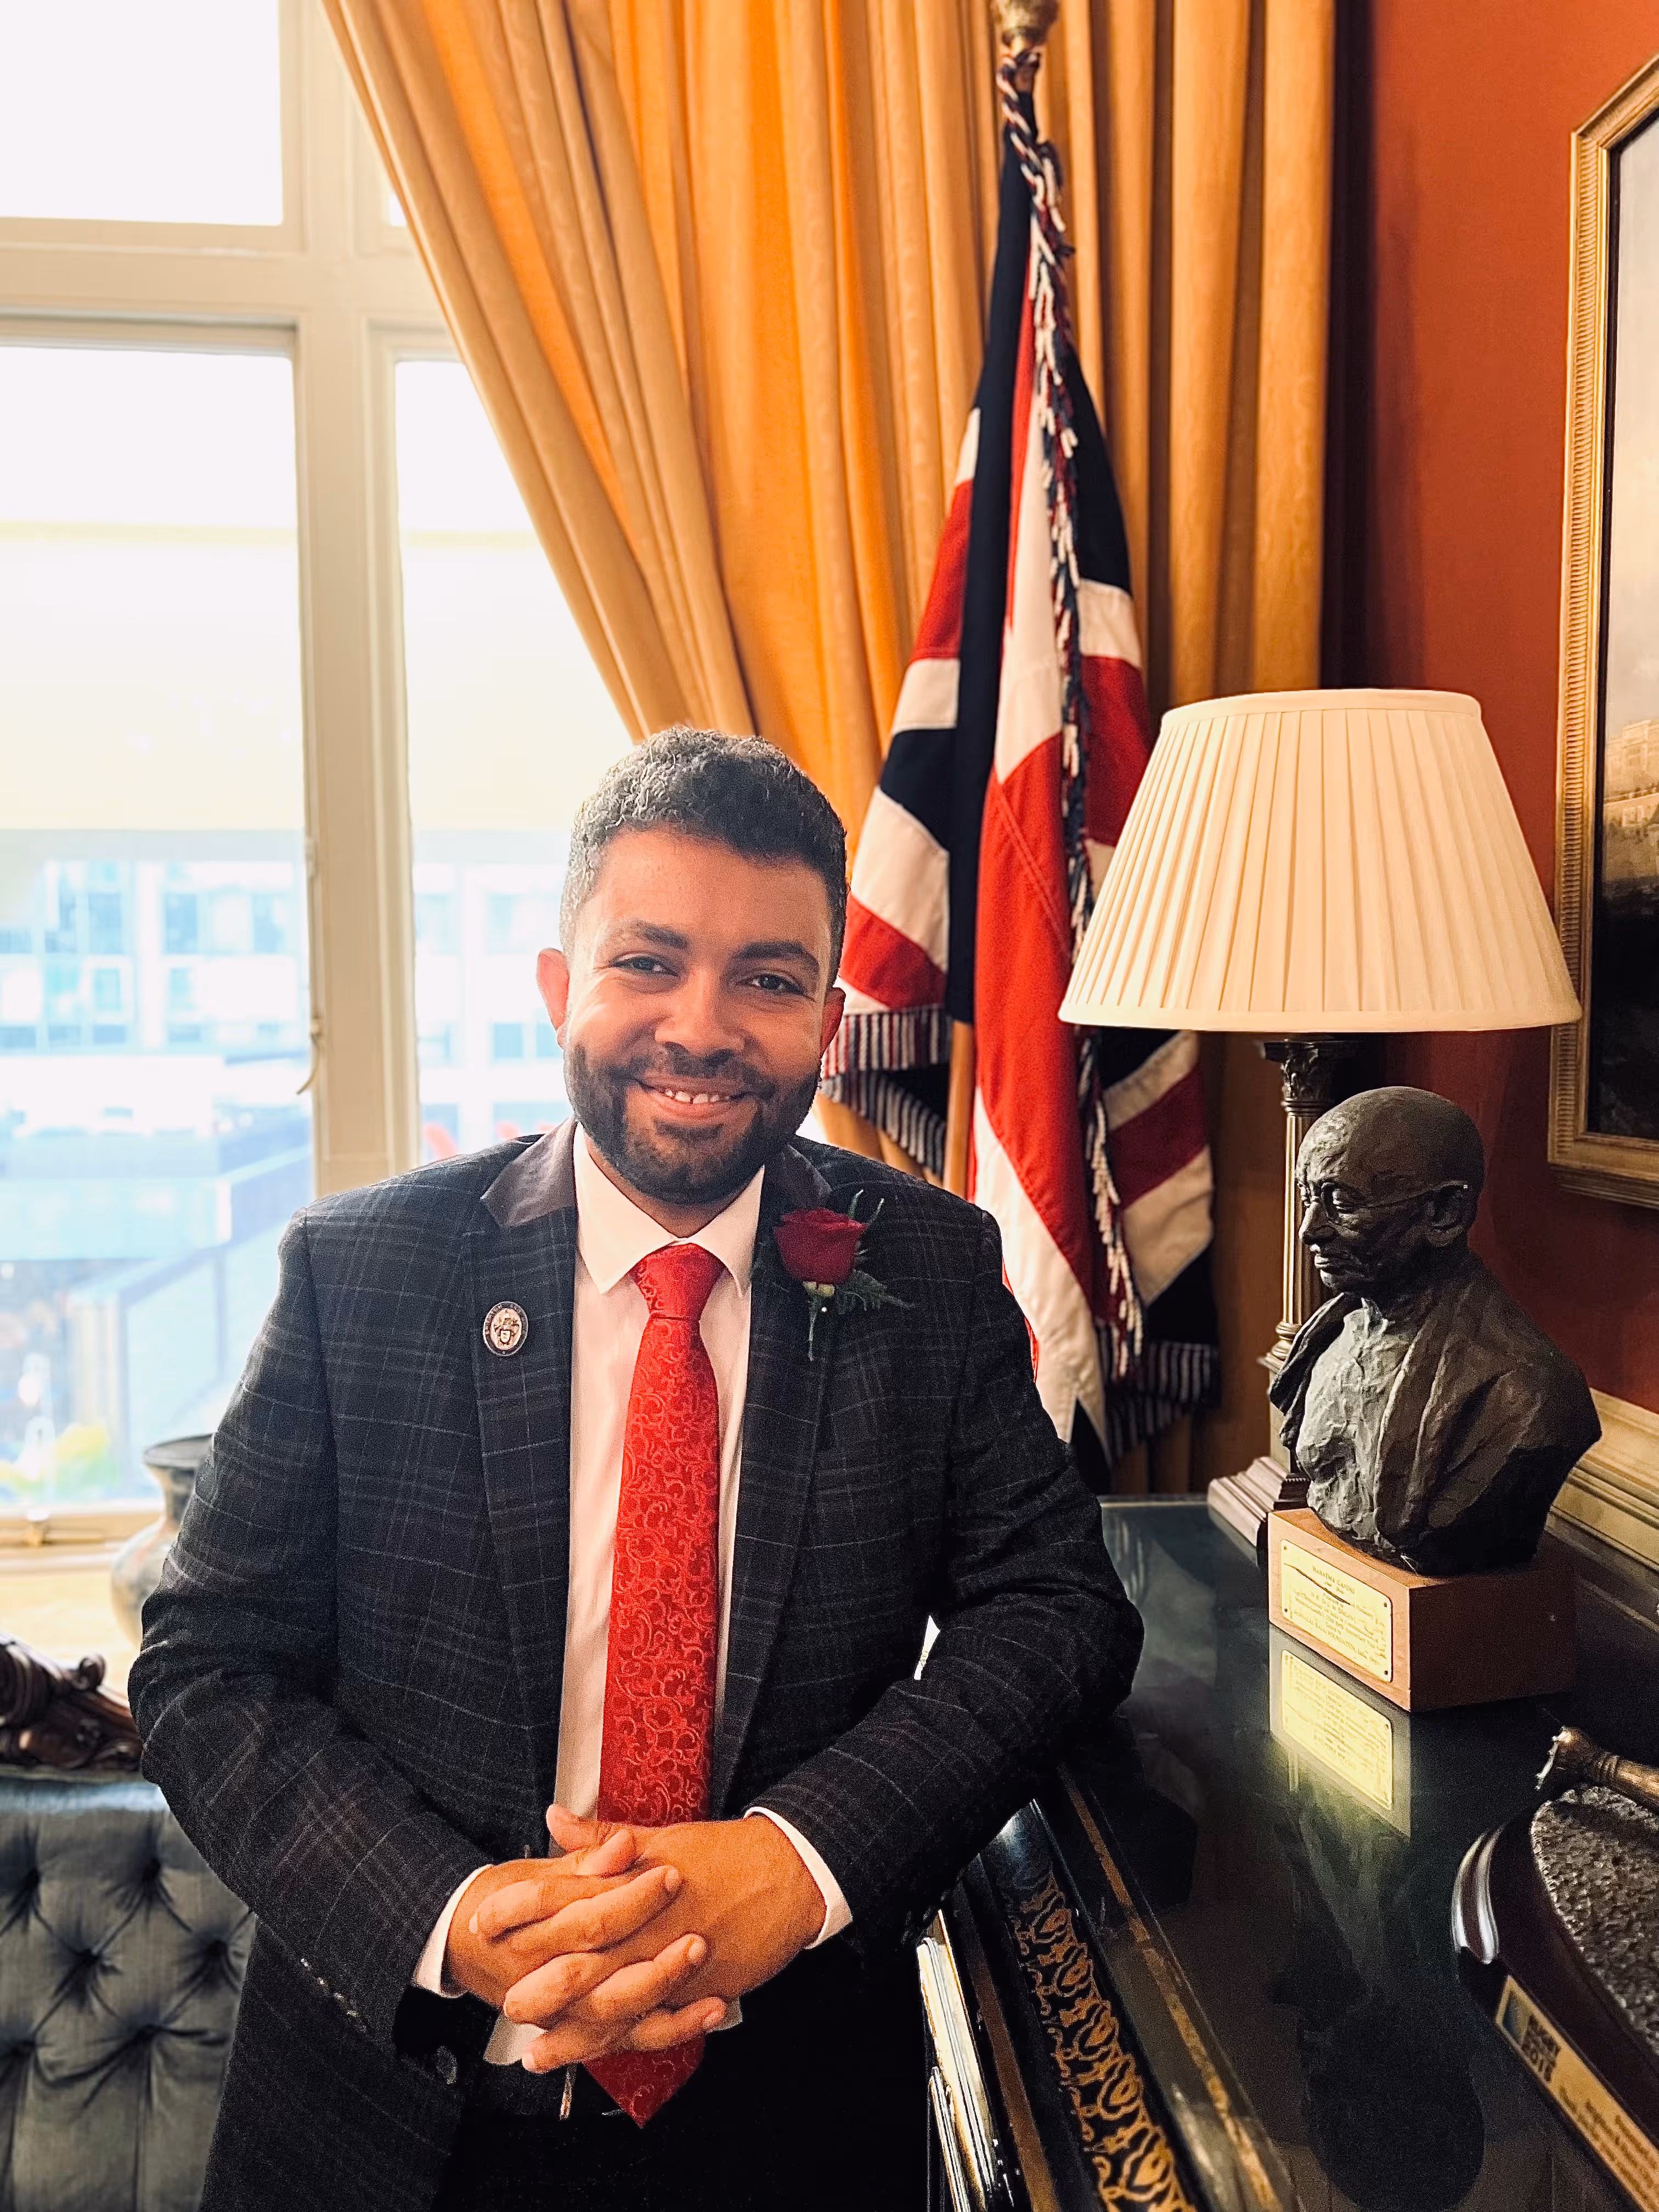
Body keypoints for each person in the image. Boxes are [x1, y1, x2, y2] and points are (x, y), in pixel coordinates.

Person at [132, 729, 1142, 2212]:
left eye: (768, 978)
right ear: (560, 986)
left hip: (794, 2124)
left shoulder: (928, 1269)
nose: (703, 1026)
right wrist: (454, 1913)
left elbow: (1057, 1612)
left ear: (830, 1018)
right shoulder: (365, 1273)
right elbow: (207, 1667)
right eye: (648, 963)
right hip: (391, 2123)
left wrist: (796, 1863)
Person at [1271, 1085, 1599, 1578]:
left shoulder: (1527, 1394)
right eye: (1308, 1197)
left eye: (1341, 1202)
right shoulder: (1330, 1335)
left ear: (1444, 1213)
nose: (1309, 1229)